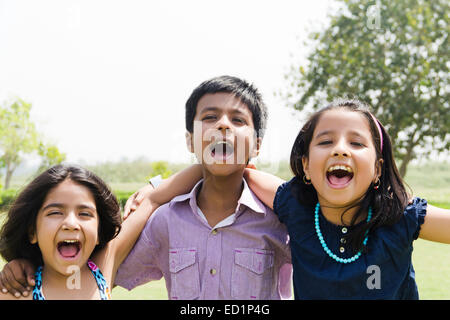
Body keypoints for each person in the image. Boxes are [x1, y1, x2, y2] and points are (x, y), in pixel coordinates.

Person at [122, 98, 450, 299]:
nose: (340, 148)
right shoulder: (297, 208)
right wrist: (158, 191)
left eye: (356, 142)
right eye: (325, 141)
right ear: (306, 166)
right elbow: (237, 168)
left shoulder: (402, 217)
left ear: (377, 169)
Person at [1, 75, 292, 300]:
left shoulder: (282, 220)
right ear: (190, 141)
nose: (224, 126)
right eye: (210, 117)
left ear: (256, 144)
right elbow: (91, 264)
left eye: (238, 120)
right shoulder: (165, 223)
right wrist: (24, 264)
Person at [0, 164, 155, 299]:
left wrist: (154, 185)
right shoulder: (13, 292)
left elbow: (152, 199)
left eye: (85, 214)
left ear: (99, 233)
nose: (71, 224)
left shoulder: (105, 263)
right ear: (32, 232)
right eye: (55, 213)